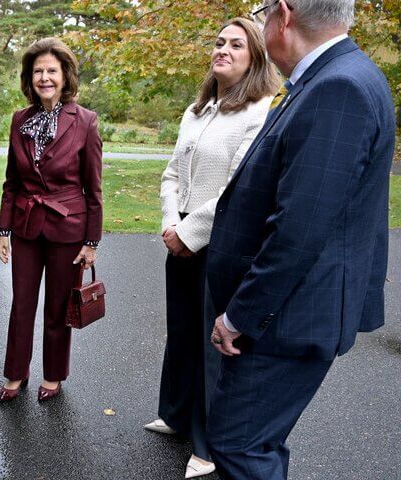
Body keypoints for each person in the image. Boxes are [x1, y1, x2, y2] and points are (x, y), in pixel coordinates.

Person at [205, 1, 396, 478]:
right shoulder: (331, 77)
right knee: (252, 440)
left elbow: (299, 229)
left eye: (262, 10)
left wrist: (240, 315)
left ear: (284, 15)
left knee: (239, 445)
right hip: (292, 312)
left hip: (285, 318)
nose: (261, 19)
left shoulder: (339, 87)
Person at [148, 18, 280, 479]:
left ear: (255, 57)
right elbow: (170, 174)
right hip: (178, 234)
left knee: (209, 342)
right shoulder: (197, 109)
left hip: (218, 243)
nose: (223, 49)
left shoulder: (259, 112)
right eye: (220, 42)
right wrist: (170, 223)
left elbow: (236, 188)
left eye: (236, 44)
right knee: (181, 329)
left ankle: (207, 444)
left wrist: (190, 232)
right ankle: (177, 414)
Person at [0, 37, 103, 403]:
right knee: (21, 303)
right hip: (25, 226)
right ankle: (15, 373)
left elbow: (94, 189)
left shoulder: (85, 121)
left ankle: (54, 374)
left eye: (51, 71)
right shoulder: (19, 119)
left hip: (68, 229)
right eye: (38, 70)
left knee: (58, 306)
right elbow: (12, 181)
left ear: (65, 76)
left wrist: (91, 242)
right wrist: (3, 231)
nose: (44, 77)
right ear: (30, 77)